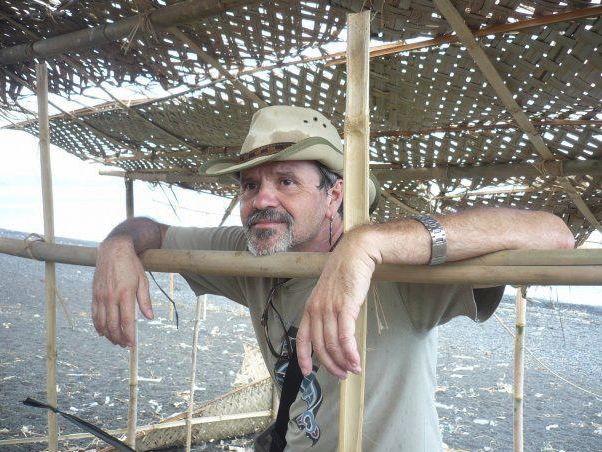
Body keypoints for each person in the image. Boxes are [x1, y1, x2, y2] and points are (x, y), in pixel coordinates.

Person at [92, 105, 574, 451]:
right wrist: (117, 244)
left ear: (333, 195)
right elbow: (151, 231)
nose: (262, 199)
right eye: (250, 184)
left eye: (286, 181)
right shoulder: (251, 253)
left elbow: (554, 235)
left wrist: (366, 246)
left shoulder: (395, 267)